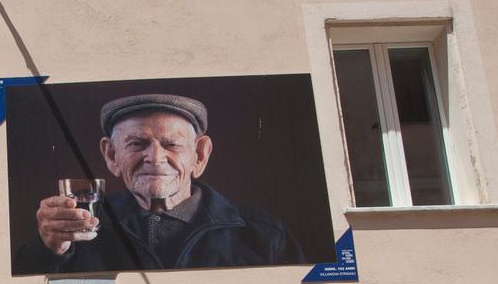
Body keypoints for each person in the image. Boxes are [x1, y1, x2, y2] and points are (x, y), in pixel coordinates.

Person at [17, 93, 303, 273]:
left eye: (171, 144)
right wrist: (48, 249)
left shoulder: (265, 235)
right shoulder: (73, 230)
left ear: (200, 155)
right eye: (138, 143)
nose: (155, 158)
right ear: (111, 155)